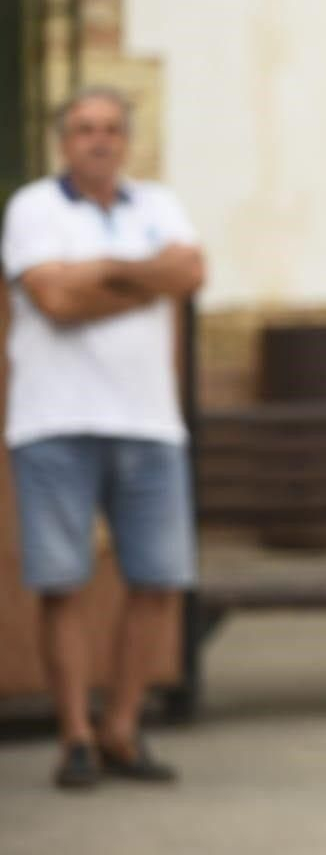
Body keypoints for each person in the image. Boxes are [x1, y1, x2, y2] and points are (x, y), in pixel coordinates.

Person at [3, 86, 205, 788]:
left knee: (157, 579)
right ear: (65, 140)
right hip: (53, 421)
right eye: (85, 128)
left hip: (149, 422)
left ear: (127, 140)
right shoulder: (32, 207)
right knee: (62, 581)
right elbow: (52, 302)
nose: (99, 140)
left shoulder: (158, 204)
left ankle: (122, 729)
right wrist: (141, 275)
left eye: (112, 129)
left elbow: (191, 272)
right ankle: (75, 736)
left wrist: (99, 270)